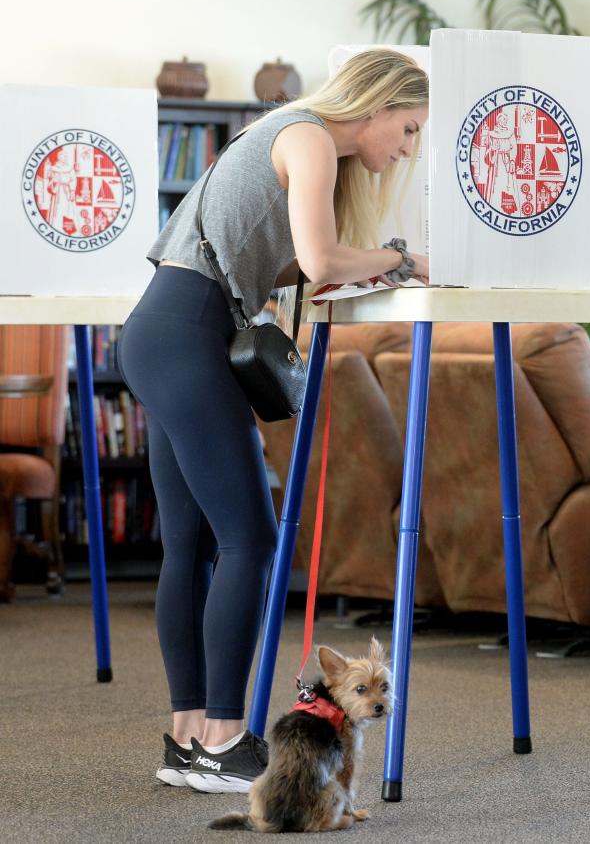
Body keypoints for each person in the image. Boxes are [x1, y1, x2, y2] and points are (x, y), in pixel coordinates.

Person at [118, 48, 429, 794]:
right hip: (188, 333)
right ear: (378, 104)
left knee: (191, 545)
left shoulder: (283, 134)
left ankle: (190, 739)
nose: (408, 147)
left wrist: (372, 263)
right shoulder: (313, 137)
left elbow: (286, 264)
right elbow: (321, 257)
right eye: (410, 128)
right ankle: (227, 741)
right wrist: (400, 256)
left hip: (160, 328)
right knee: (250, 538)